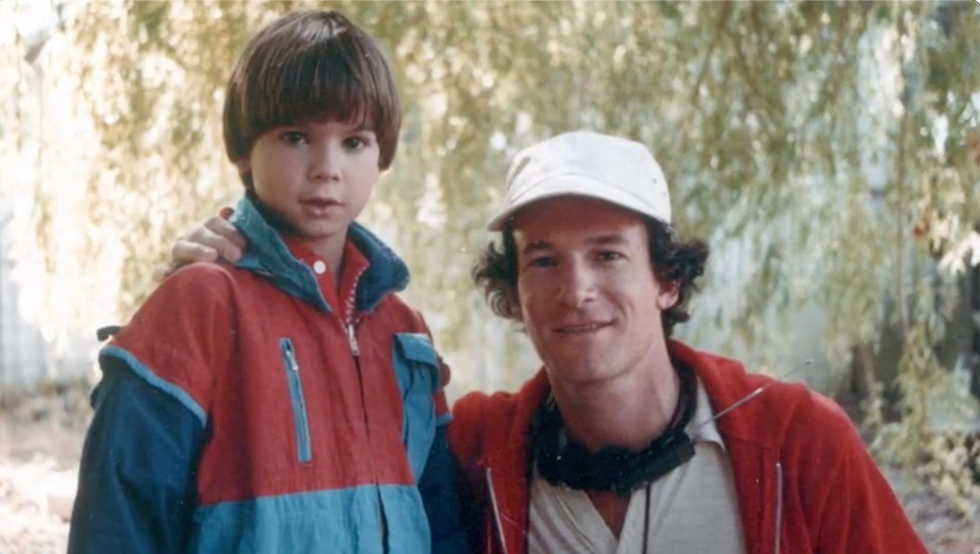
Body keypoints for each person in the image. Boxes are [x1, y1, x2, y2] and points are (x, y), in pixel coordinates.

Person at [168, 131, 928, 553]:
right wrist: (241, 279)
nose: (577, 290)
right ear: (514, 296)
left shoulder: (797, 443)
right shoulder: (472, 450)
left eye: (608, 255)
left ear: (667, 280)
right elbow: (313, 459)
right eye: (543, 261)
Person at [68, 10, 468, 554]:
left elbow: (441, 518)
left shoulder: (404, 331)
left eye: (355, 142)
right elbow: (120, 518)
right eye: (296, 136)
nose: (328, 168)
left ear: (383, 157)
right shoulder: (201, 301)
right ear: (242, 149)